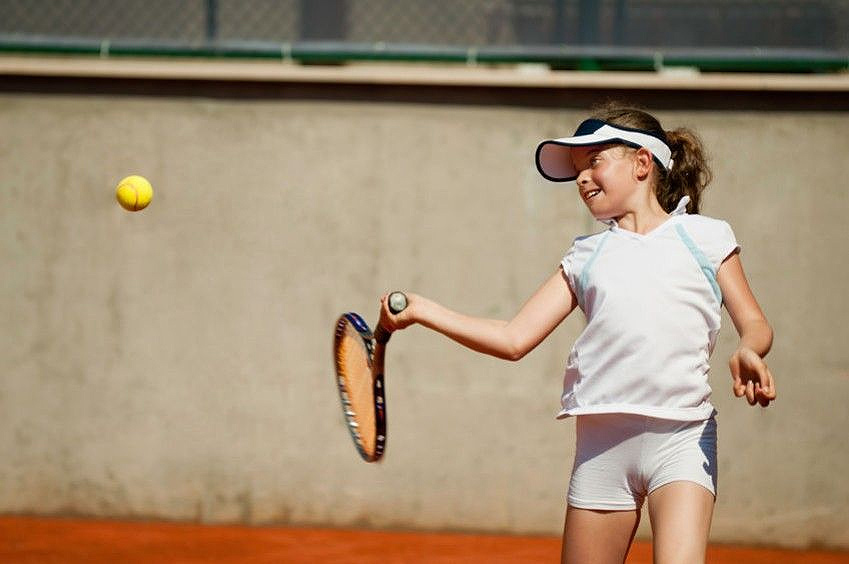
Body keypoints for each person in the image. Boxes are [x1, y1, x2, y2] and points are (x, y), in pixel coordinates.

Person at [378, 104, 775, 564]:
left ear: (642, 164)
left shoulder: (706, 237)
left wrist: (749, 349)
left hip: (683, 439)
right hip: (601, 447)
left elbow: (755, 322)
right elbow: (513, 338)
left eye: (594, 161)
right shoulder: (584, 256)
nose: (582, 178)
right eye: (576, 171)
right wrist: (424, 310)